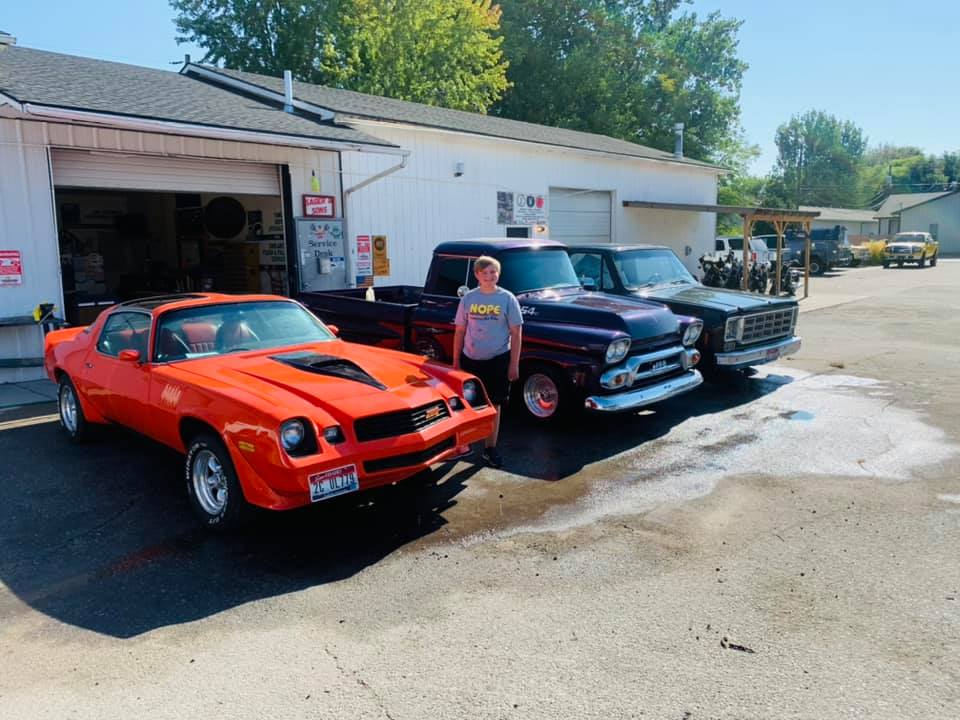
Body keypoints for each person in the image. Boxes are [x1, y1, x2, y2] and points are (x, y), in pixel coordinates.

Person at [453, 256, 523, 469]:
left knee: (495, 405)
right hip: (470, 359)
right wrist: (455, 361)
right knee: (465, 405)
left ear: (498, 274)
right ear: (477, 275)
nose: (490, 277)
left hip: (498, 360)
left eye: (493, 272)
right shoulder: (468, 299)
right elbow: (459, 331)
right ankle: (462, 444)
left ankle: (489, 449)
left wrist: (514, 363)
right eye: (485, 273)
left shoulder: (507, 298)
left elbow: (517, 332)